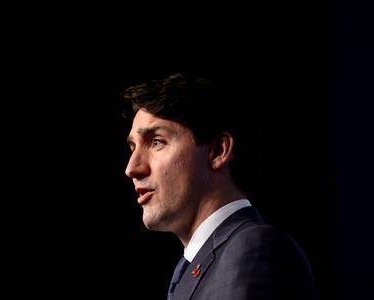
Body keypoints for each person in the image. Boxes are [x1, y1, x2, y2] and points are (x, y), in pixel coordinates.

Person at [122, 73, 317, 300]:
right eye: (132, 148)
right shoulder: (193, 266)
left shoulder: (252, 247)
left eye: (156, 142)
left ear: (217, 151)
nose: (132, 168)